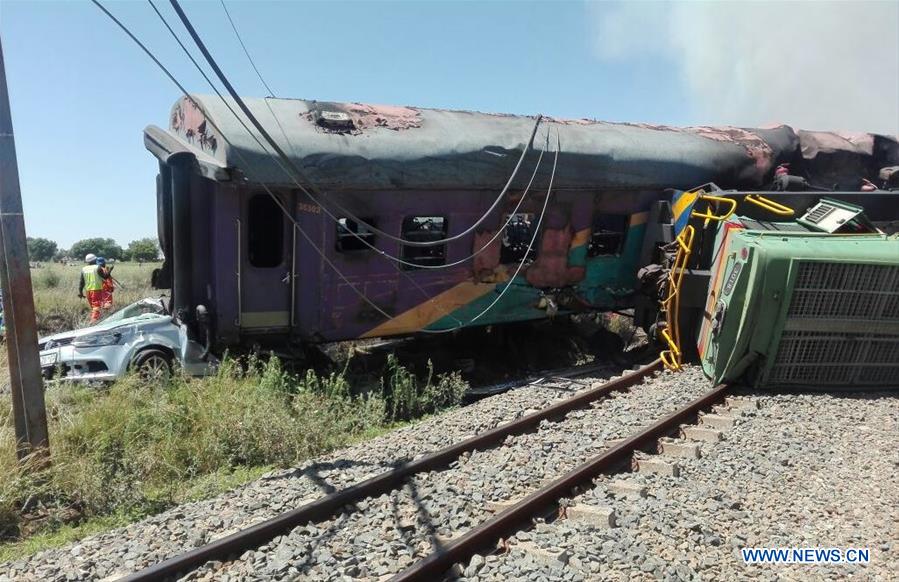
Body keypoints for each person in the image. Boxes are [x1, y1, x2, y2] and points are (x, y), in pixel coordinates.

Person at [79, 253, 110, 324]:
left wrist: (80, 292)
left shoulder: (84, 269)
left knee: (94, 308)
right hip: (96, 290)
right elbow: (105, 277)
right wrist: (109, 271)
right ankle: (93, 323)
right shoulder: (97, 267)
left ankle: (97, 320)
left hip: (88, 291)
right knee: (96, 307)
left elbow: (81, 282)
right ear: (95, 260)